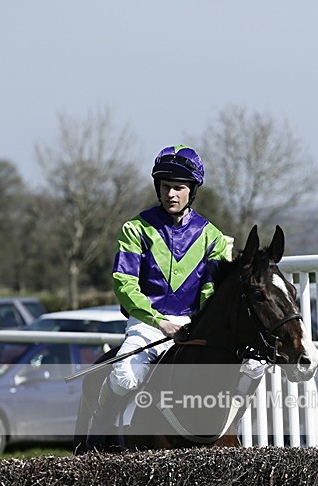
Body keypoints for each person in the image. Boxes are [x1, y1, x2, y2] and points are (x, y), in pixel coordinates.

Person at [86, 145, 231, 447]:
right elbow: (124, 283)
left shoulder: (212, 237)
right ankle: (96, 432)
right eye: (165, 187)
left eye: (179, 187)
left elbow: (209, 289)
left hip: (192, 326)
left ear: (192, 190)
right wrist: (159, 321)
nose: (171, 194)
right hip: (147, 324)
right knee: (124, 378)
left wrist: (200, 322)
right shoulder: (135, 229)